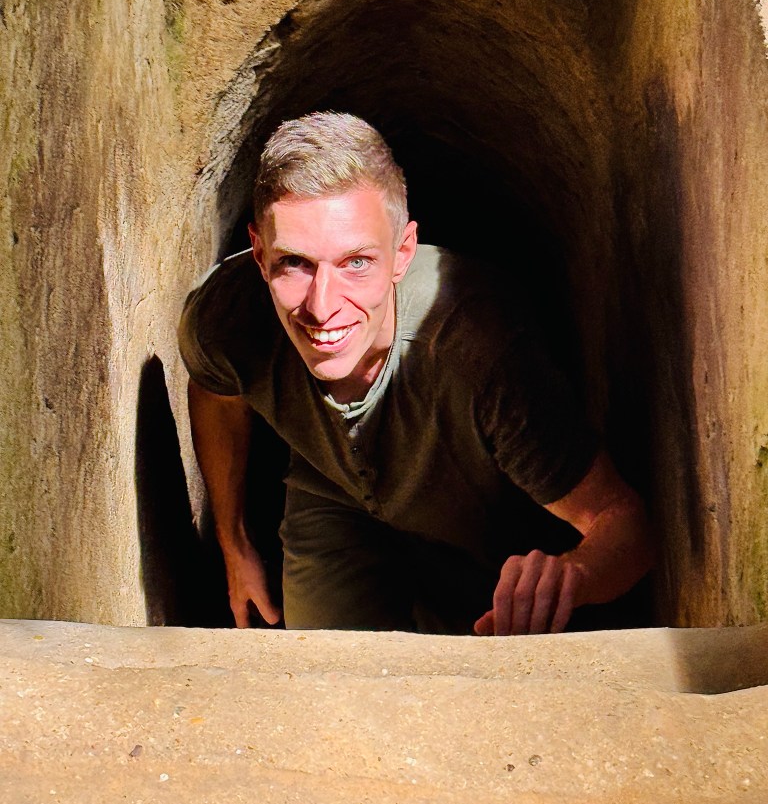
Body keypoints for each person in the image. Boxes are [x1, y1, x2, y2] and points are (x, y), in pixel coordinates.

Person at [179, 111, 654, 635]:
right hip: (330, 487)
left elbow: (625, 524)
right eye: (296, 263)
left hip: (480, 521)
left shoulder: (477, 352)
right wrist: (234, 543)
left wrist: (570, 576)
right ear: (259, 253)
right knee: (324, 665)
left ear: (402, 253)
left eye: (356, 262)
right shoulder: (227, 317)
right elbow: (215, 389)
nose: (322, 306)